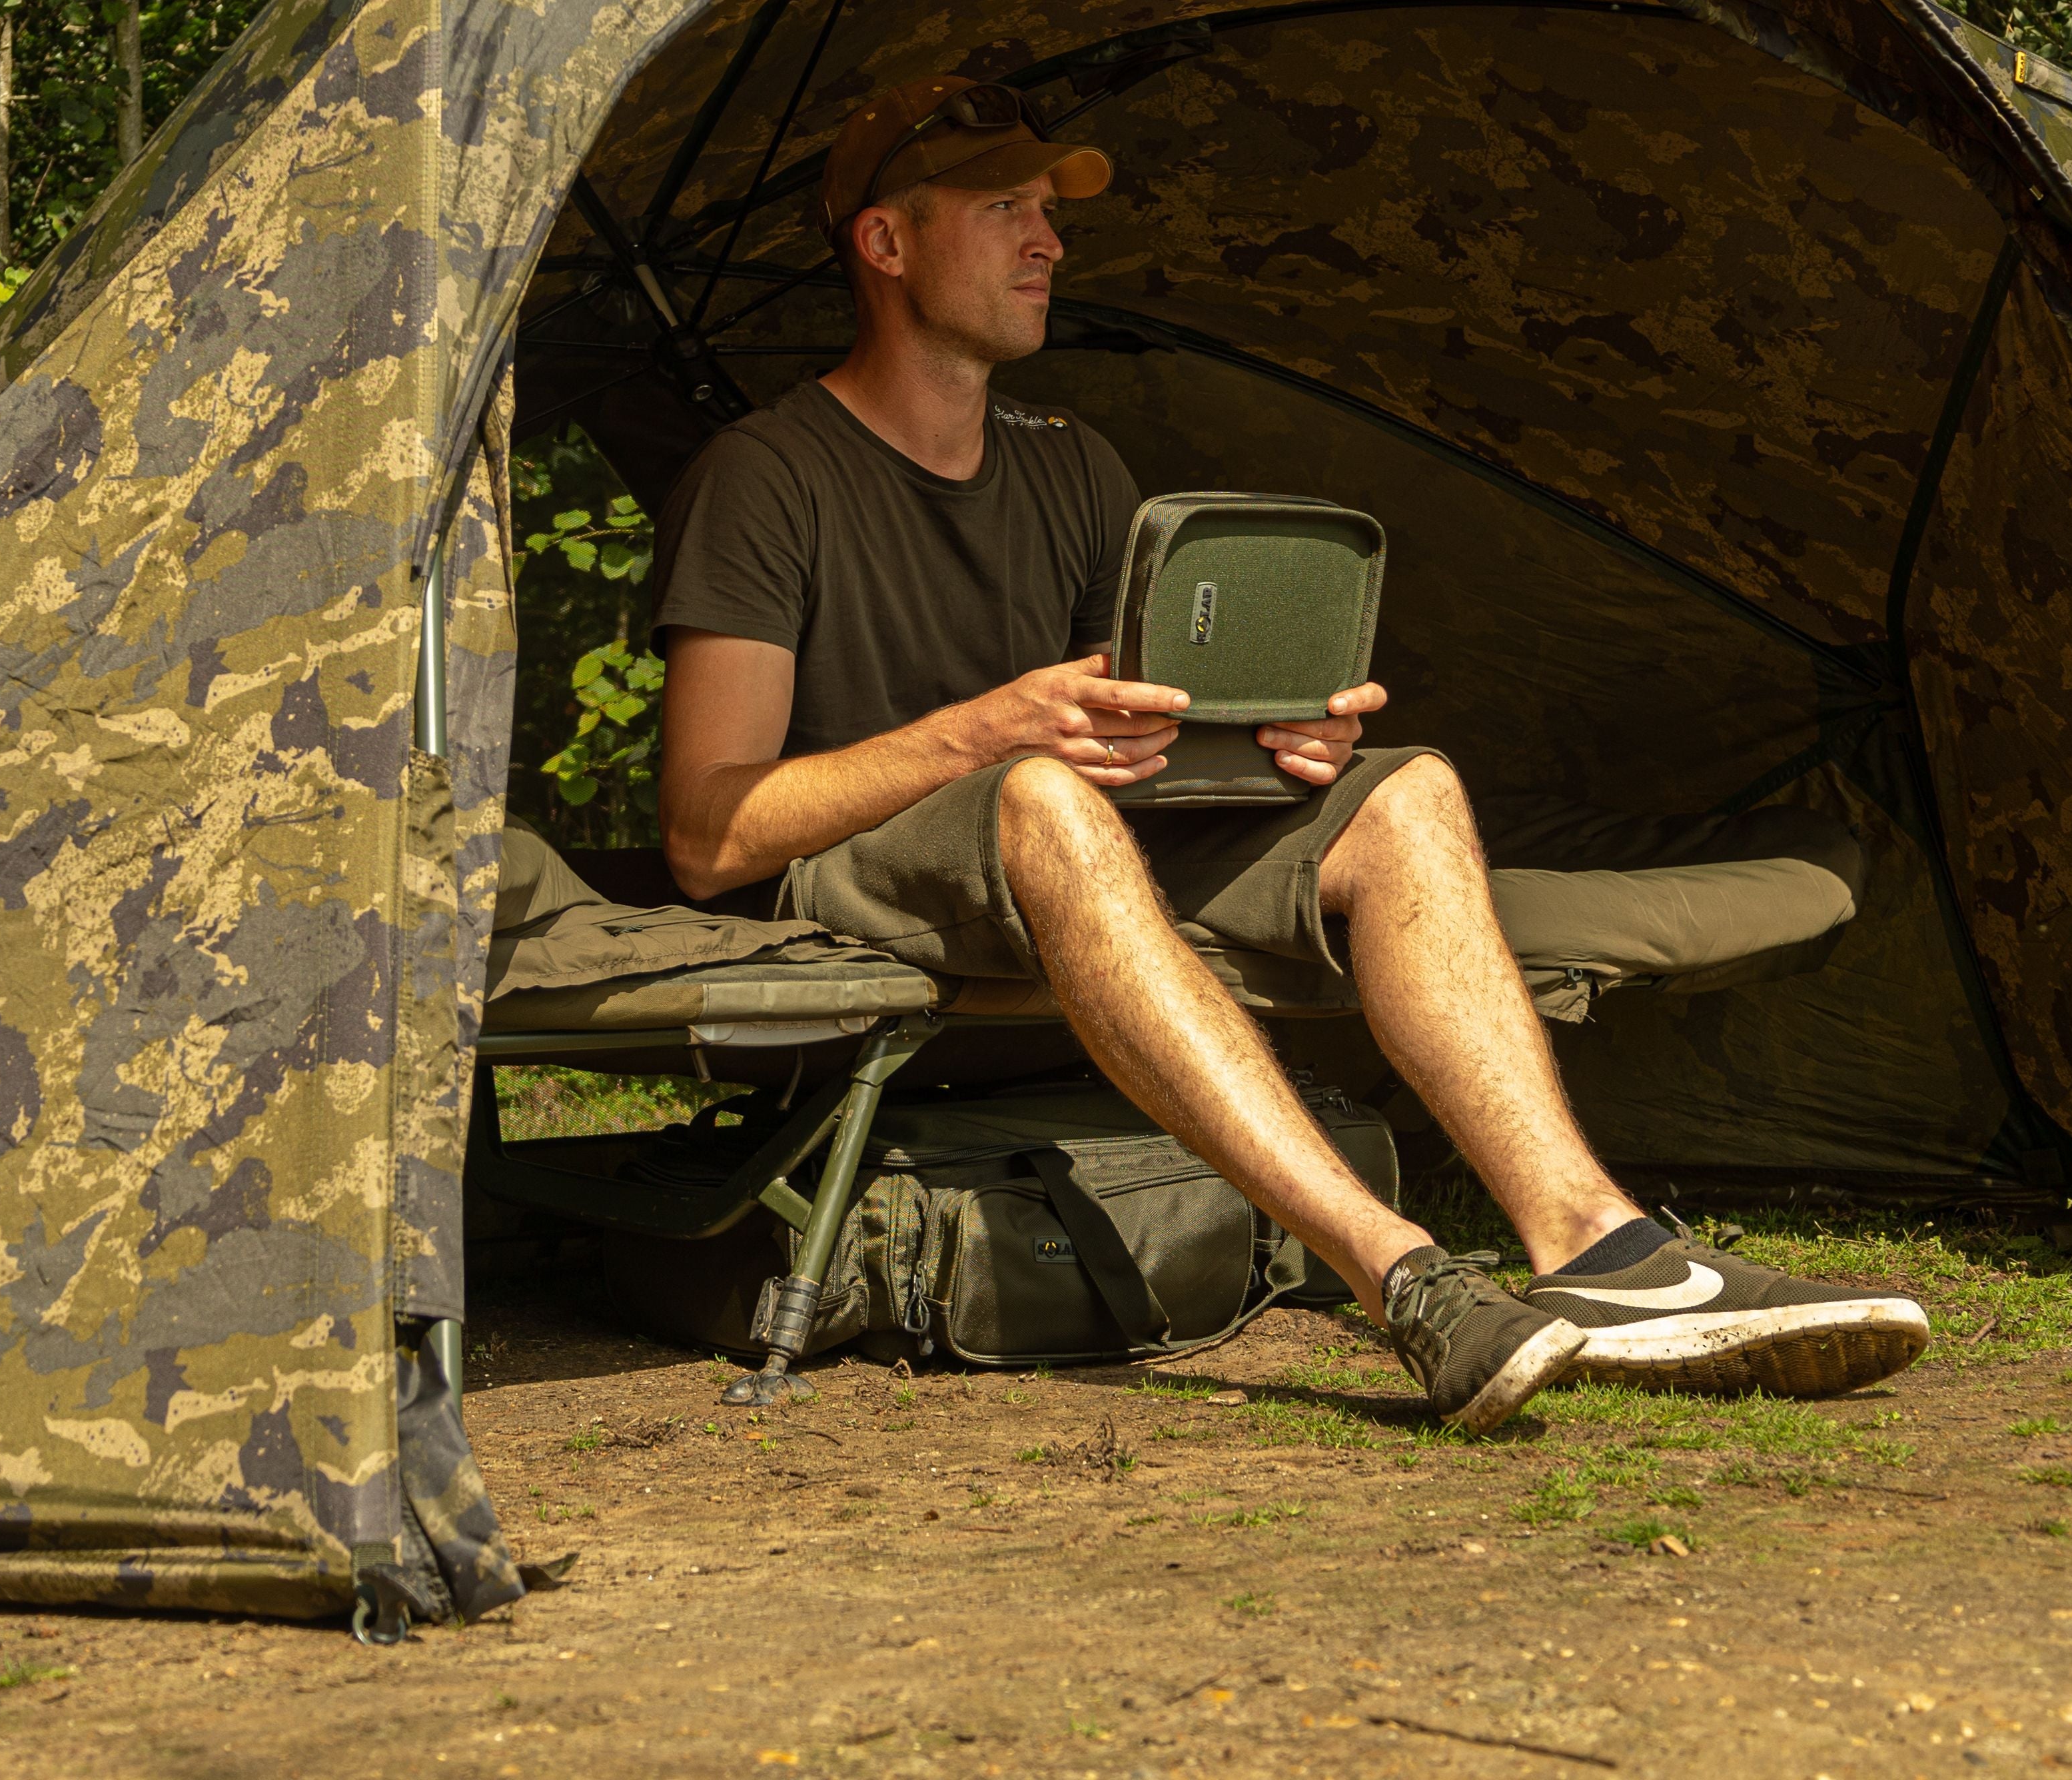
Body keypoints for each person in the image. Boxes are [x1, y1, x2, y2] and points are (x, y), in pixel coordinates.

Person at [644, 74, 1930, 1433]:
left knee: (1408, 791)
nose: (1050, 241)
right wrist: (989, 729)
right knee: (1037, 793)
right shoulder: (766, 476)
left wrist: (1265, 745)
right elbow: (711, 828)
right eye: (1004, 207)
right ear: (888, 246)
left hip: (1070, 854)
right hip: (862, 881)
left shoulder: (1073, 464)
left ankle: (1598, 1248)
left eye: (1049, 211)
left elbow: (1129, 730)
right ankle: (1402, 1278)